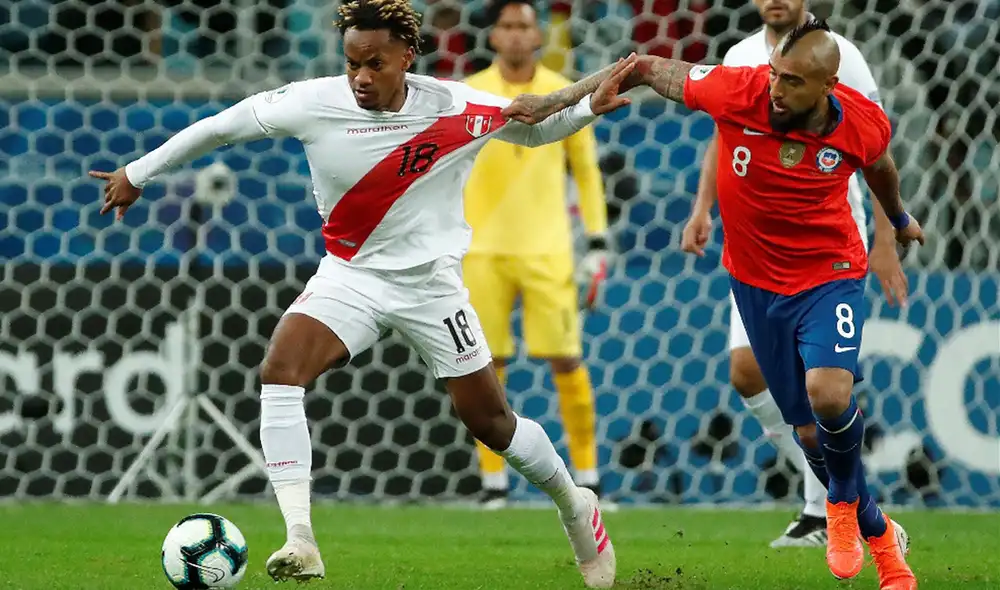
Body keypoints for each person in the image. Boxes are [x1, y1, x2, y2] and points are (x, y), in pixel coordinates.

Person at [89, 1, 638, 586]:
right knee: (280, 370)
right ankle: (300, 539)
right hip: (351, 276)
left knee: (492, 423)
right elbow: (221, 126)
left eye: (375, 64)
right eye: (352, 64)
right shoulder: (311, 101)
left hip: (431, 287)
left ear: (407, 56)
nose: (361, 78)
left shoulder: (454, 106)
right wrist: (137, 173)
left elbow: (533, 130)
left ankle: (576, 505)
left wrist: (585, 110)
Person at [506, 19, 920, 589]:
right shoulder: (739, 89)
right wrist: (558, 99)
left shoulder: (861, 121)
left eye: (793, 82)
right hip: (755, 284)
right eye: (775, 74)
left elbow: (881, 166)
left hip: (830, 275)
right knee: (804, 434)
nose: (776, 89)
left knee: (830, 393)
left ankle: (842, 510)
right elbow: (646, 66)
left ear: (828, 85)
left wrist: (897, 220)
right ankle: (880, 535)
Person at [679, 0, 907, 549]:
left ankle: (823, 508)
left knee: (824, 389)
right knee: (747, 375)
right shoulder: (740, 56)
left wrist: (886, 237)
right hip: (756, 251)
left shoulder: (841, 57)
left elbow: (875, 150)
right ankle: (834, 494)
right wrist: (702, 207)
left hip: (825, 248)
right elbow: (724, 132)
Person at [462, 0, 610, 509]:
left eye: (525, 24)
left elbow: (587, 173)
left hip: (548, 250)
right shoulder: (471, 92)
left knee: (567, 359)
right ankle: (493, 485)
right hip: (480, 249)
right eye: (507, 25)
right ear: (494, 36)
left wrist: (597, 242)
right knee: (484, 365)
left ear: (538, 35)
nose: (517, 34)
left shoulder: (562, 91)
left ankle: (589, 479)